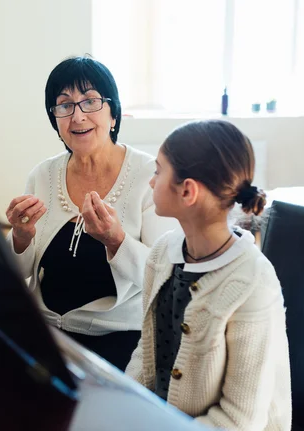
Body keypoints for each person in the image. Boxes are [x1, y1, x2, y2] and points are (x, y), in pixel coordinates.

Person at [5, 56, 176, 370]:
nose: (77, 116)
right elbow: (18, 274)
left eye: (90, 102)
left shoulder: (148, 175)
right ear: (54, 120)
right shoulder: (42, 175)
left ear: (113, 114)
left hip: (119, 335)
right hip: (46, 330)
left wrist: (116, 241)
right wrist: (20, 236)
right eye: (64, 105)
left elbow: (164, 277)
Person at [119, 120, 291, 430]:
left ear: (187, 191)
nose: (151, 182)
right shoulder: (161, 255)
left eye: (158, 171)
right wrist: (124, 405)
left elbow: (241, 420)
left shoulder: (253, 282)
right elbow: (146, 355)